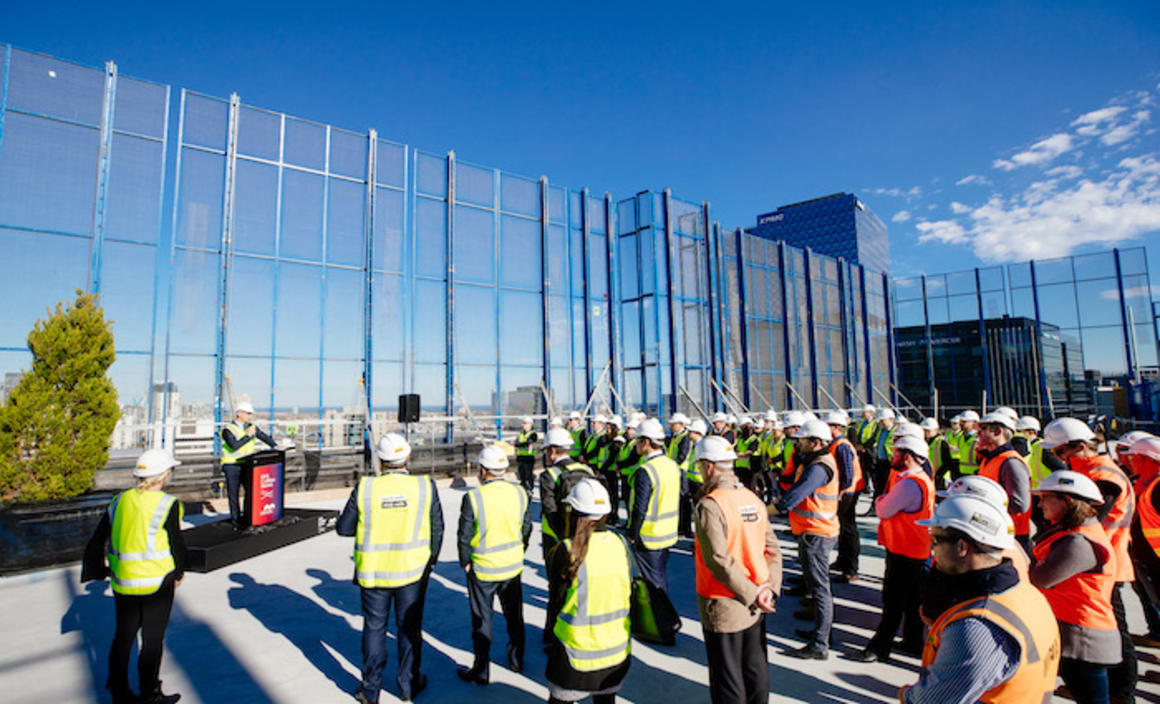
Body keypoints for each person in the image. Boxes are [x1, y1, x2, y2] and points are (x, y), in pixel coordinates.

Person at [899, 495, 1060, 703]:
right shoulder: (1027, 594)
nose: (932, 549)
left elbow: (929, 700)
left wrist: (905, 694)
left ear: (962, 547)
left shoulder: (977, 626)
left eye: (937, 540)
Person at [337, 434, 443, 704]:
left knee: (374, 628)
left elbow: (344, 528)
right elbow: (437, 529)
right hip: (412, 572)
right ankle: (408, 686)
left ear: (381, 461)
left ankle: (371, 690)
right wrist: (430, 563)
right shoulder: (424, 486)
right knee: (409, 628)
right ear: (407, 457)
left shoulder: (366, 488)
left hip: (374, 573)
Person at [1042, 417, 1138, 701]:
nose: (1058, 458)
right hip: (1092, 562)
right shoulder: (1090, 472)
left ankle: (1121, 693)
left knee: (1114, 634)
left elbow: (1082, 521)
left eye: (1060, 452)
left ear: (1081, 446)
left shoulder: (1103, 477)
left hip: (1103, 564)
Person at [82, 449, 186, 704]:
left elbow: (98, 538)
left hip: (123, 580)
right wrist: (180, 571)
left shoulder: (119, 501)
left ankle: (119, 692)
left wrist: (97, 569)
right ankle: (150, 693)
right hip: (157, 581)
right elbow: (176, 543)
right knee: (152, 640)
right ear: (163, 475)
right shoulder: (167, 504)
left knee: (123, 637)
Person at [693, 436, 780, 704]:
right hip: (757, 601)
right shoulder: (751, 498)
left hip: (725, 602)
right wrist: (768, 590)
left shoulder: (711, 504)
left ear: (708, 467)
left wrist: (752, 594)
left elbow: (719, 560)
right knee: (754, 668)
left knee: (727, 678)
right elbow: (773, 549)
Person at [1031, 470, 1121, 704]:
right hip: (1076, 633)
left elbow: (1040, 578)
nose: (1039, 504)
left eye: (1044, 497)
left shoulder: (1078, 542)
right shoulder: (1078, 532)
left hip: (1084, 639)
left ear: (1067, 501)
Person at [544, 479, 632, 704]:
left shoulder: (565, 550)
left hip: (574, 655)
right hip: (615, 653)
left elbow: (557, 602)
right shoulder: (619, 543)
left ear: (572, 511)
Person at [850, 435, 933, 663]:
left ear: (907, 456)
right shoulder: (920, 478)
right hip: (916, 548)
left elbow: (884, 509)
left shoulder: (908, 483)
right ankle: (912, 641)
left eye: (896, 452)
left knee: (893, 602)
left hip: (904, 550)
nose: (891, 456)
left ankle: (879, 647)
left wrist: (881, 500)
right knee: (911, 601)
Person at [457, 445, 532, 684]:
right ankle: (517, 659)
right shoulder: (520, 493)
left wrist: (465, 561)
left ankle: (481, 669)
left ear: (483, 470)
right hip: (512, 566)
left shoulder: (474, 497)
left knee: (482, 619)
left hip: (483, 569)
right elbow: (527, 527)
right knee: (514, 616)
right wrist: (519, 551)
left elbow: (464, 535)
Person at [776, 419, 840, 659]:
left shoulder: (818, 467)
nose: (797, 444)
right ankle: (822, 632)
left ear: (814, 443)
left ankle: (820, 644)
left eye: (801, 440)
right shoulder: (815, 461)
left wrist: (767, 510)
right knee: (817, 587)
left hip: (817, 533)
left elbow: (793, 496)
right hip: (813, 530)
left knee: (820, 588)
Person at [627, 418, 681, 590]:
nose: (635, 444)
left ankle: (659, 614)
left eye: (638, 440)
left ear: (647, 442)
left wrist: (632, 533)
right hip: (668, 532)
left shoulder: (646, 471)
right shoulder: (671, 465)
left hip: (649, 535)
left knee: (652, 583)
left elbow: (639, 508)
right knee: (659, 576)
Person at [974, 412, 1034, 554]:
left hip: (1012, 535)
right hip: (994, 530)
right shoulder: (989, 459)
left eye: (982, 429)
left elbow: (1019, 505)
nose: (978, 434)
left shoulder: (1011, 463)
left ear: (997, 431)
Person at [219, 400, 278, 528]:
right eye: (247, 413)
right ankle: (235, 518)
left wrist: (277, 446)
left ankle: (247, 516)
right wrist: (247, 436)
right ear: (239, 413)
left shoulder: (251, 427)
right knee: (233, 493)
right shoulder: (228, 430)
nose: (250, 416)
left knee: (250, 491)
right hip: (232, 465)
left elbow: (264, 437)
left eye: (251, 414)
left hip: (247, 464)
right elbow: (233, 446)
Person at [1126, 436, 1160, 647]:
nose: (1130, 461)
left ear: (1147, 459)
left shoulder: (1157, 486)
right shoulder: (1144, 482)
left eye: (1134, 457)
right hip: (1147, 556)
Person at [825, 411, 863, 584]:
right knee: (844, 528)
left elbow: (847, 472)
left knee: (848, 529)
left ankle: (851, 570)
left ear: (836, 427)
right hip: (846, 490)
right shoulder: (837, 444)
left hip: (847, 492)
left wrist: (841, 491)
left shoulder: (842, 445)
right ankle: (843, 561)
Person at [680, 418, 708, 538]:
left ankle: (702, 539)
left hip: (700, 484)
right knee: (697, 513)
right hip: (693, 481)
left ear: (698, 432)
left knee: (702, 513)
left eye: (691, 431)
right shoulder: (695, 446)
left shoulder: (702, 446)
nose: (688, 433)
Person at [870, 408, 897, 500]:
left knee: (889, 486)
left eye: (883, 421)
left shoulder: (896, 432)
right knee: (879, 486)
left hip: (890, 463)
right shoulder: (881, 431)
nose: (881, 423)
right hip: (880, 461)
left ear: (891, 419)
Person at [514, 417, 538, 494]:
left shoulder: (533, 434)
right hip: (520, 457)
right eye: (523, 423)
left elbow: (529, 443)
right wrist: (523, 444)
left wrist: (522, 444)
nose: (523, 425)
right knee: (522, 474)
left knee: (529, 474)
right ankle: (523, 486)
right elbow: (516, 444)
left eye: (525, 423)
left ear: (530, 424)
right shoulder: (520, 434)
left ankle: (530, 488)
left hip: (529, 457)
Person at [954, 410, 981, 476]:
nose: (961, 424)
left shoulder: (980, 437)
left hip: (976, 475)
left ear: (974, 423)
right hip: (962, 473)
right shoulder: (960, 438)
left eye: (964, 422)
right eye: (960, 422)